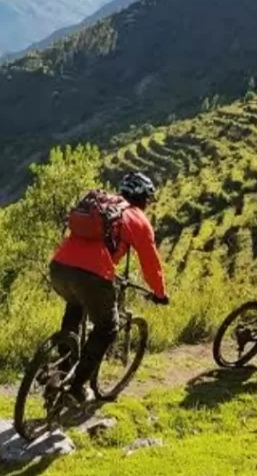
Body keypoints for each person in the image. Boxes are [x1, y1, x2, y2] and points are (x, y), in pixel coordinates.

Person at [48, 172, 170, 403]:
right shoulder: (137, 219)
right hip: (92, 275)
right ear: (143, 198)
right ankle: (76, 387)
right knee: (107, 327)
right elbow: (151, 263)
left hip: (59, 266)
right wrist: (160, 293)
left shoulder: (102, 205)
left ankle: (60, 368)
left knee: (75, 307)